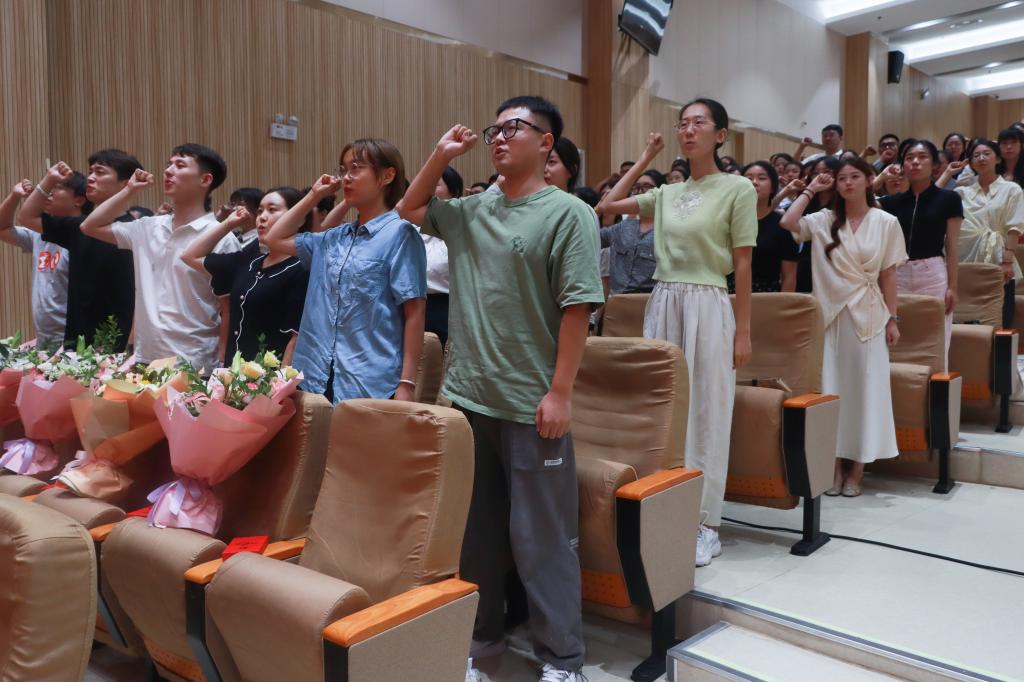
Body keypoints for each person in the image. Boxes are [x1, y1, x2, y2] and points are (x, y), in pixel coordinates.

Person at [398, 95, 603, 682]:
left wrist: (560, 393)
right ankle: (482, 640)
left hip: (530, 403)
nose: (500, 137)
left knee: (543, 540)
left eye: (515, 127)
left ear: (547, 142)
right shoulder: (471, 210)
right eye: (495, 130)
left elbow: (578, 307)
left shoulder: (567, 213)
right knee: (476, 536)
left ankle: (563, 661)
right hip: (468, 398)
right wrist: (441, 154)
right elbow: (410, 208)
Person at [597, 97, 755, 568]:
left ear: (720, 135)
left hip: (709, 302)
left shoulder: (738, 188)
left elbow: (743, 263)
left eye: (698, 123)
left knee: (708, 409)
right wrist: (646, 156)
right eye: (682, 124)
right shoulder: (666, 193)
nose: (688, 131)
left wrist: (743, 330)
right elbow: (607, 206)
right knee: (663, 409)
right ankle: (665, 509)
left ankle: (706, 524)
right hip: (663, 299)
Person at [264, 139, 425, 405]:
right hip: (313, 373)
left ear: (387, 175)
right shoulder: (333, 238)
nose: (346, 177)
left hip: (369, 378)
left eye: (356, 168)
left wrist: (406, 383)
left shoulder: (401, 234)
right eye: (343, 169)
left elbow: (415, 312)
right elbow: (273, 238)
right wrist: (314, 195)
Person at [780, 157, 907, 496]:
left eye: (854, 176)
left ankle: (858, 469)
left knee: (866, 390)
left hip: (869, 315)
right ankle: (834, 466)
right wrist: (811, 189)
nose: (847, 183)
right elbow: (788, 221)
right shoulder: (824, 219)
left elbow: (889, 275)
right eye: (841, 178)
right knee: (831, 389)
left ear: (869, 180)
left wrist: (893, 319)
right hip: (830, 315)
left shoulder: (886, 221)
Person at [81, 144, 239, 370]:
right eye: (168, 164)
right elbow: (89, 226)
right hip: (147, 356)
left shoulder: (221, 237)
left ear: (205, 180)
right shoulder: (147, 227)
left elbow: (229, 308)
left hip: (195, 360)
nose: (168, 170)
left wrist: (223, 362)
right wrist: (129, 190)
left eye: (180, 165)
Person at [18, 151, 141, 350]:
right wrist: (49, 179)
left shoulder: (136, 229)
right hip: (77, 344)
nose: (90, 178)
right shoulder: (78, 226)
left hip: (119, 344)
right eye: (90, 172)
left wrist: (132, 345)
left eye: (100, 172)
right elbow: (27, 217)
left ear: (125, 183)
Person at [181, 187, 310, 365]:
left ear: (299, 219)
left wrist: (282, 381)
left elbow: (296, 338)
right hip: (233, 373)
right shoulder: (249, 260)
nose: (262, 217)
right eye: (260, 211)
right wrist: (228, 224)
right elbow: (190, 256)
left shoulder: (302, 269)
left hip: (270, 377)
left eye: (272, 210)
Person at [878, 140, 962, 368]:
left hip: (932, 271)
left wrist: (953, 287)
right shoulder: (891, 202)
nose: (915, 162)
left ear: (934, 165)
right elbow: (860, 199)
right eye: (909, 158)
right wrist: (882, 177)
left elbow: (952, 246)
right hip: (897, 273)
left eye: (922, 157)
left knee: (937, 335)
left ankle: (938, 386)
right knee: (895, 334)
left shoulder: (949, 199)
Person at [945, 138, 1024, 329]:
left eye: (987, 154)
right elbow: (931, 200)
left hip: (1000, 257)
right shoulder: (961, 192)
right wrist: (947, 174)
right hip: (966, 258)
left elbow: (1014, 226)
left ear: (998, 159)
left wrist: (1007, 260)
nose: (981, 158)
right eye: (976, 155)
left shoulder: (1012, 189)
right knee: (967, 315)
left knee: (1001, 315)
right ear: (970, 162)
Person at [0, 177, 81, 348]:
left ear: (79, 200)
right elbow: (2, 228)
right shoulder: (40, 234)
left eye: (58, 187)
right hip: (45, 337)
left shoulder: (85, 236)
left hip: (76, 337)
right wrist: (15, 196)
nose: (49, 192)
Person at [736, 161, 798, 292]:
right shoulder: (729, 220)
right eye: (748, 178)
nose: (754, 182)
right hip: (728, 295)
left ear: (773, 188)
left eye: (762, 178)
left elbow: (789, 276)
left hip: (767, 295)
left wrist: (784, 303)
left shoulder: (782, 224)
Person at [600, 170, 662, 294]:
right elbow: (590, 236)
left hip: (653, 299)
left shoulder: (668, 228)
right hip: (618, 299)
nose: (640, 191)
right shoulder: (623, 226)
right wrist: (598, 209)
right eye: (636, 187)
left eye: (647, 187)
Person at [421, 166, 461, 346]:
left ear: (454, 192)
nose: (428, 190)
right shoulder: (415, 227)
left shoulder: (462, 226)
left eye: (435, 185)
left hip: (448, 307)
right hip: (417, 305)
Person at [795, 156, 840, 293]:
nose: (821, 176)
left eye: (827, 171)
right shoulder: (807, 199)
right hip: (807, 261)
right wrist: (810, 189)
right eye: (816, 172)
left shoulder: (843, 203)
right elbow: (787, 221)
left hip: (834, 261)